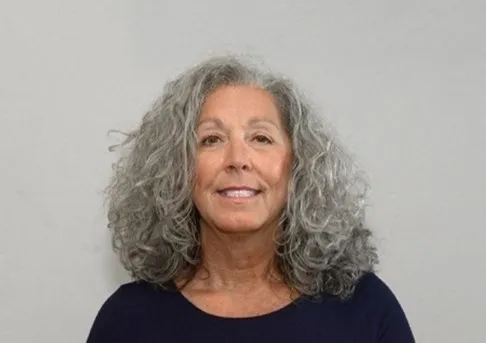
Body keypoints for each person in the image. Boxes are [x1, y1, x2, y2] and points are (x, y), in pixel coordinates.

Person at [87, 56, 415, 342]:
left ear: (298, 165)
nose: (238, 159)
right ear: (178, 170)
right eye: (211, 139)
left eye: (261, 138)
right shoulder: (127, 321)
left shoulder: (366, 309)